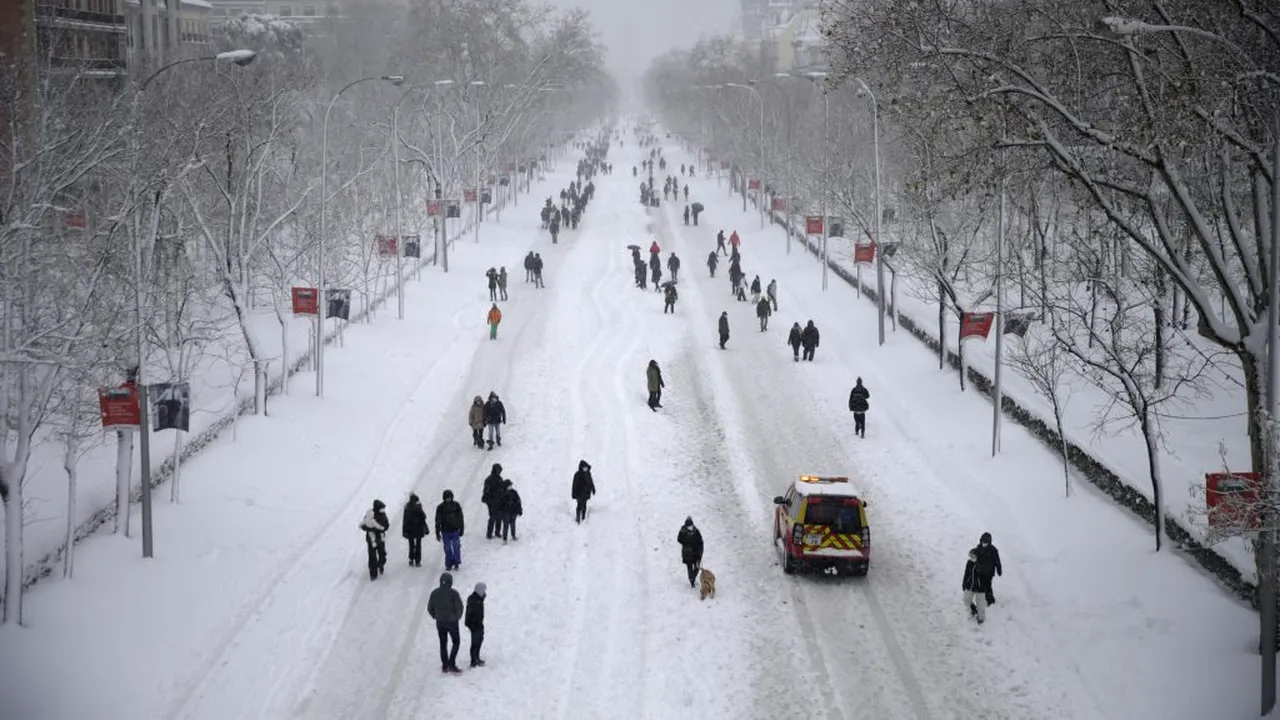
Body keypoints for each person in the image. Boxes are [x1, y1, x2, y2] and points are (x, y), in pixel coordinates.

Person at [427, 572, 464, 672]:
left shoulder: (434, 593)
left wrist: (436, 616)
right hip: (452, 622)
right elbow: (459, 607)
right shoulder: (454, 593)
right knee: (456, 642)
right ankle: (451, 663)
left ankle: (445, 665)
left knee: (443, 643)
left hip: (440, 622)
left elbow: (430, 608)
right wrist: (457, 617)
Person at [360, 499, 389, 580]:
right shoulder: (369, 514)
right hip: (372, 539)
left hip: (379, 538)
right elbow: (363, 525)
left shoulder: (383, 515)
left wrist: (379, 529)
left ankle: (381, 565)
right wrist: (370, 529)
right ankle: (373, 574)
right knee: (372, 556)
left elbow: (387, 526)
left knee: (382, 554)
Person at [435, 490, 465, 571]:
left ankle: (456, 562)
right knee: (447, 549)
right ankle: (449, 563)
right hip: (445, 531)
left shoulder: (456, 505)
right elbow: (438, 520)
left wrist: (461, 528)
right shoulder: (440, 507)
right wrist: (437, 532)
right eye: (447, 498)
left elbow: (460, 517)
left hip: (455, 530)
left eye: (450, 497)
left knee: (456, 547)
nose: (448, 499)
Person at [962, 547, 991, 625]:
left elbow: (987, 577)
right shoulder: (969, 563)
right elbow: (966, 574)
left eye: (973, 557)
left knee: (981, 605)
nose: (972, 558)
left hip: (980, 588)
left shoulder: (984, 564)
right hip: (970, 585)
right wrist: (964, 584)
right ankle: (973, 610)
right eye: (970, 556)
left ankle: (981, 618)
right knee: (966, 600)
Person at [973, 532, 1003, 606]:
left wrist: (999, 569)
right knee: (982, 585)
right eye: (983, 542)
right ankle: (983, 597)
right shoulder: (979, 548)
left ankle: (990, 600)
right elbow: (975, 558)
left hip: (989, 572)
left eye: (986, 542)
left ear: (989, 542)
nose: (984, 544)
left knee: (988, 585)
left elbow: (997, 561)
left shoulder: (993, 550)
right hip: (980, 570)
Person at [676, 517, 704, 589]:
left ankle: (693, 577)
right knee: (689, 567)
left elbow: (700, 541)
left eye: (691, 525)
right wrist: (686, 543)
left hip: (696, 553)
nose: (690, 527)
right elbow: (679, 539)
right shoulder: (682, 531)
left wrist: (700, 552)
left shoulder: (696, 531)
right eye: (688, 526)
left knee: (697, 567)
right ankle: (692, 581)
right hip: (687, 553)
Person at [402, 493, 429, 567]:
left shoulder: (407, 507)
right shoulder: (418, 507)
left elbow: (405, 520)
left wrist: (404, 531)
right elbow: (423, 517)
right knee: (418, 545)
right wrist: (425, 528)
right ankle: (417, 561)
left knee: (411, 544)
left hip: (410, 529)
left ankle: (411, 559)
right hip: (418, 529)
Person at [465, 582, 487, 668]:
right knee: (475, 643)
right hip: (474, 625)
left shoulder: (477, 597)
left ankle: (476, 657)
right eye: (484, 590)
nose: (485, 592)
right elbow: (471, 613)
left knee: (480, 640)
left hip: (478, 623)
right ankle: (473, 661)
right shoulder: (474, 600)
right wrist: (472, 625)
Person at [481, 463, 506, 539]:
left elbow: (502, 488)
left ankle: (497, 532)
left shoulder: (499, 478)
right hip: (491, 502)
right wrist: (490, 500)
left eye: (500, 470)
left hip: (499, 501)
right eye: (498, 470)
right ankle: (489, 534)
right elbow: (486, 491)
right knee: (492, 517)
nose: (499, 471)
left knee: (499, 517)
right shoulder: (489, 479)